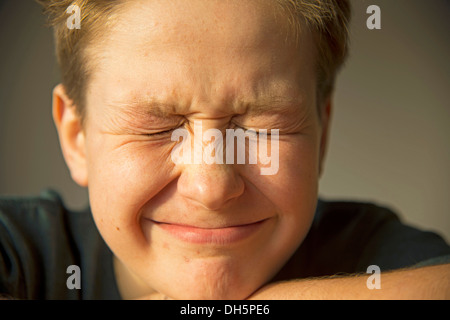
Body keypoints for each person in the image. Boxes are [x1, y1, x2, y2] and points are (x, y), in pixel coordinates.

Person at [0, 0, 449, 300]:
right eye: (159, 128)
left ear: (323, 132)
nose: (211, 186)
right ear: (77, 137)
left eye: (261, 126)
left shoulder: (371, 252)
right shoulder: (22, 252)